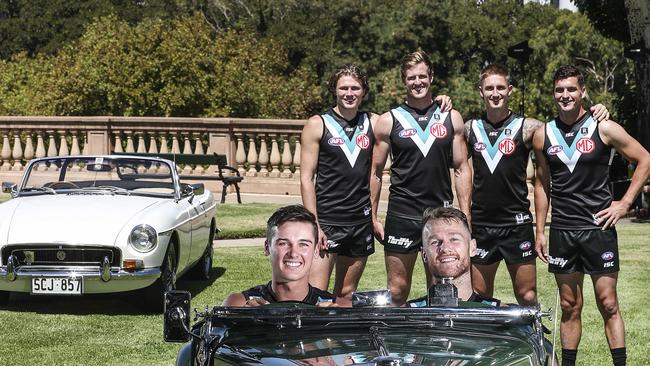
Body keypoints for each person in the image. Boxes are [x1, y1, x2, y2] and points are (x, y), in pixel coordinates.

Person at [301, 64, 451, 306]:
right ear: (334, 90)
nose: (349, 93)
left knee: (346, 295)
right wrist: (313, 223)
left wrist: (441, 99)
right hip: (328, 221)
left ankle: (339, 343)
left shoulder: (374, 122)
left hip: (359, 223)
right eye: (344, 88)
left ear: (363, 91)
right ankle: (308, 344)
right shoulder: (317, 124)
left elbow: (411, 116)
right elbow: (306, 178)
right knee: (315, 294)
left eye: (355, 88)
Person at [533, 65, 650, 366]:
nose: (565, 95)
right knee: (571, 305)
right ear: (553, 94)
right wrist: (540, 230)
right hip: (563, 230)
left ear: (583, 91)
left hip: (598, 229)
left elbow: (644, 159)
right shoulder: (542, 134)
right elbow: (542, 185)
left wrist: (623, 204)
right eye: (560, 90)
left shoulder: (604, 127)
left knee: (608, 303)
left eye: (571, 89)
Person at [466, 64, 610, 306]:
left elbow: (567, 125)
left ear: (510, 90)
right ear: (481, 92)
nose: (495, 93)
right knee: (479, 298)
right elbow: (445, 126)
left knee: (527, 296)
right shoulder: (469, 129)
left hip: (517, 224)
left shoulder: (530, 128)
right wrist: (441, 101)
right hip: (482, 225)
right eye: (489, 88)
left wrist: (599, 109)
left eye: (501, 87)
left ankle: (533, 343)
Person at [370, 50, 470, 306]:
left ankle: (436, 345)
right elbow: (375, 173)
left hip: (440, 216)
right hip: (402, 213)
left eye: (422, 77)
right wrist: (372, 216)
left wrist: (465, 215)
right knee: (398, 290)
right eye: (411, 78)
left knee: (441, 290)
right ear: (404, 81)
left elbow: (461, 168)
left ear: (431, 77)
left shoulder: (451, 117)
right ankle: (395, 344)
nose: (417, 82)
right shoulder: (388, 121)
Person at [223, 205, 336, 306]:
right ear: (267, 247)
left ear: (316, 250)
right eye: (283, 243)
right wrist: (245, 320)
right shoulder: (238, 305)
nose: (293, 253)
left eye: (303, 244)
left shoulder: (336, 308)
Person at [408, 206, 499, 307]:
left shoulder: (502, 315)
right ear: (424, 254)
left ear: (472, 248)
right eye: (435, 242)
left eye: (454, 239)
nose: (445, 248)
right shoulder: (405, 315)